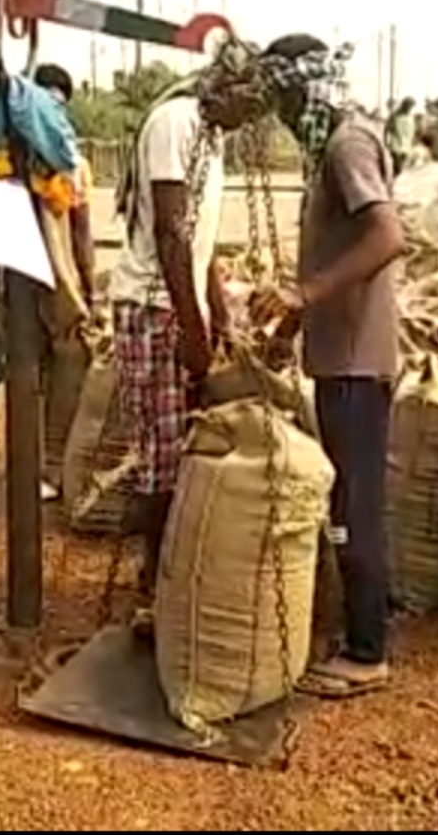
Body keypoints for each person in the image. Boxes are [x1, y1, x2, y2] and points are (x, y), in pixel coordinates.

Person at [254, 33, 407, 699]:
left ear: (303, 89)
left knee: (353, 502)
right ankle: (371, 614)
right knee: (354, 495)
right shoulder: (336, 145)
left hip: (354, 361)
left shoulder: (346, 145)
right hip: (340, 351)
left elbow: (387, 236)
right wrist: (295, 317)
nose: (283, 117)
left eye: (285, 99)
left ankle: (367, 650)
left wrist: (304, 295)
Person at [106, 48, 261, 634]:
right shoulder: (176, 123)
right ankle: (153, 590)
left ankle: (168, 576)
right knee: (161, 462)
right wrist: (192, 331)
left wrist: (219, 312)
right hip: (152, 310)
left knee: (182, 454)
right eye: (251, 102)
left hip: (180, 305)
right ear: (224, 85)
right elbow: (171, 234)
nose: (253, 117)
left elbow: (199, 240)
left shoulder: (211, 133)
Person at [0, 63, 95, 510]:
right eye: (43, 100)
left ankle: (47, 470)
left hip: (48, 287)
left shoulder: (71, 167)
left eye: (57, 104)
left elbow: (80, 233)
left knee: (57, 376)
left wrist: (86, 290)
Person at [384, 97, 418, 169]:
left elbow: (412, 130)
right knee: (398, 167)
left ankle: (391, 178)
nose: (409, 108)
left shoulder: (410, 117)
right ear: (403, 105)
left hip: (406, 145)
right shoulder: (395, 115)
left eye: (411, 107)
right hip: (395, 144)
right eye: (408, 106)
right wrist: (386, 141)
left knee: (400, 168)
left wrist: (413, 140)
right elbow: (387, 129)